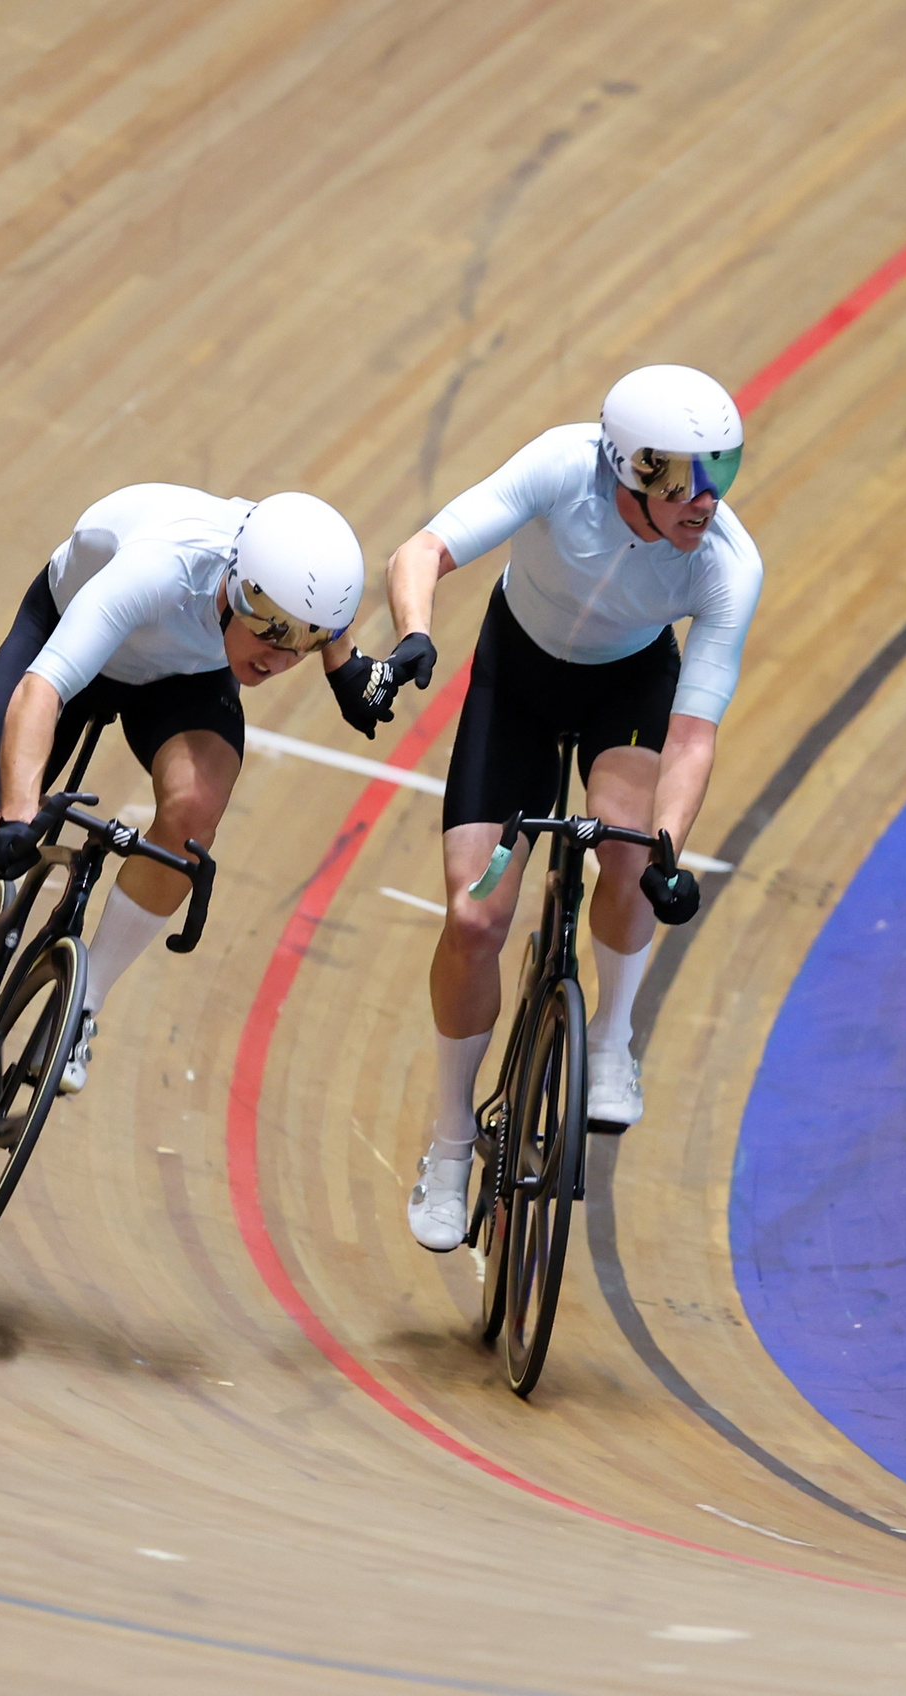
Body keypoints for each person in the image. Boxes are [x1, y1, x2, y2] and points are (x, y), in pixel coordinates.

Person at [0, 484, 394, 1174]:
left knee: (195, 810)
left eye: (303, 643)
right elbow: (42, 691)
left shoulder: (285, 584)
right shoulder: (161, 568)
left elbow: (314, 608)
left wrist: (346, 663)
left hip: (182, 675)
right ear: (236, 586)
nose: (278, 658)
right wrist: (19, 821)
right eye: (269, 632)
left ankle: (84, 1001)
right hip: (67, 644)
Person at [384, 365, 764, 1251]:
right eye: (684, 480)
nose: (706, 502)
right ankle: (448, 1147)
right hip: (515, 678)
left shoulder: (727, 567)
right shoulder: (562, 466)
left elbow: (694, 739)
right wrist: (414, 634)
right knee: (476, 920)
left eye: (724, 472)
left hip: (627, 688)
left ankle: (613, 1038)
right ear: (629, 468)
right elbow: (423, 552)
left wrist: (669, 851)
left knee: (630, 854)